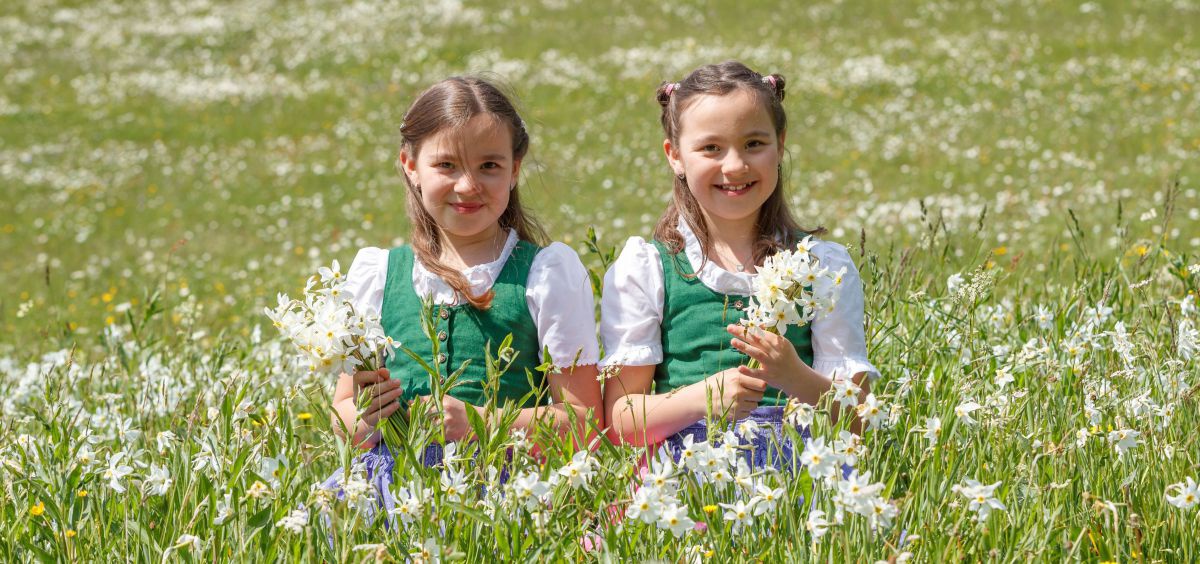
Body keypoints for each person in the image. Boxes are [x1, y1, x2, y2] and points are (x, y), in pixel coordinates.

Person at [326, 77, 602, 508]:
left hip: (500, 496)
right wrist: (362, 418)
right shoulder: (379, 275)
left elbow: (584, 421)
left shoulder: (545, 274)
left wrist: (481, 422)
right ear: (410, 166)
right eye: (447, 166)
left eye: (489, 166)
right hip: (383, 494)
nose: (468, 185)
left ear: (515, 170)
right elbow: (342, 411)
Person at [600, 61, 877, 466]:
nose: (734, 166)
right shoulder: (651, 268)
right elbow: (621, 420)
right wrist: (703, 398)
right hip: (685, 471)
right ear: (674, 155)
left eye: (753, 144)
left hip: (802, 468)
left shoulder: (819, 266)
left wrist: (793, 375)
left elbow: (858, 419)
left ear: (780, 146)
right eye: (711, 147)